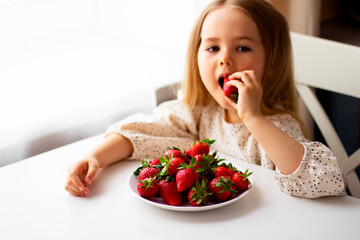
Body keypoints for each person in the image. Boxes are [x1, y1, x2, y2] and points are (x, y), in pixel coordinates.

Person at [65, 0, 346, 198]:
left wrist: (253, 117)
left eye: (242, 47)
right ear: (196, 57)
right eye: (213, 47)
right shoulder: (199, 114)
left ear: (271, 63)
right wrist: (94, 158)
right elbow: (142, 132)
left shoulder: (275, 126)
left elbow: (324, 179)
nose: (225, 58)